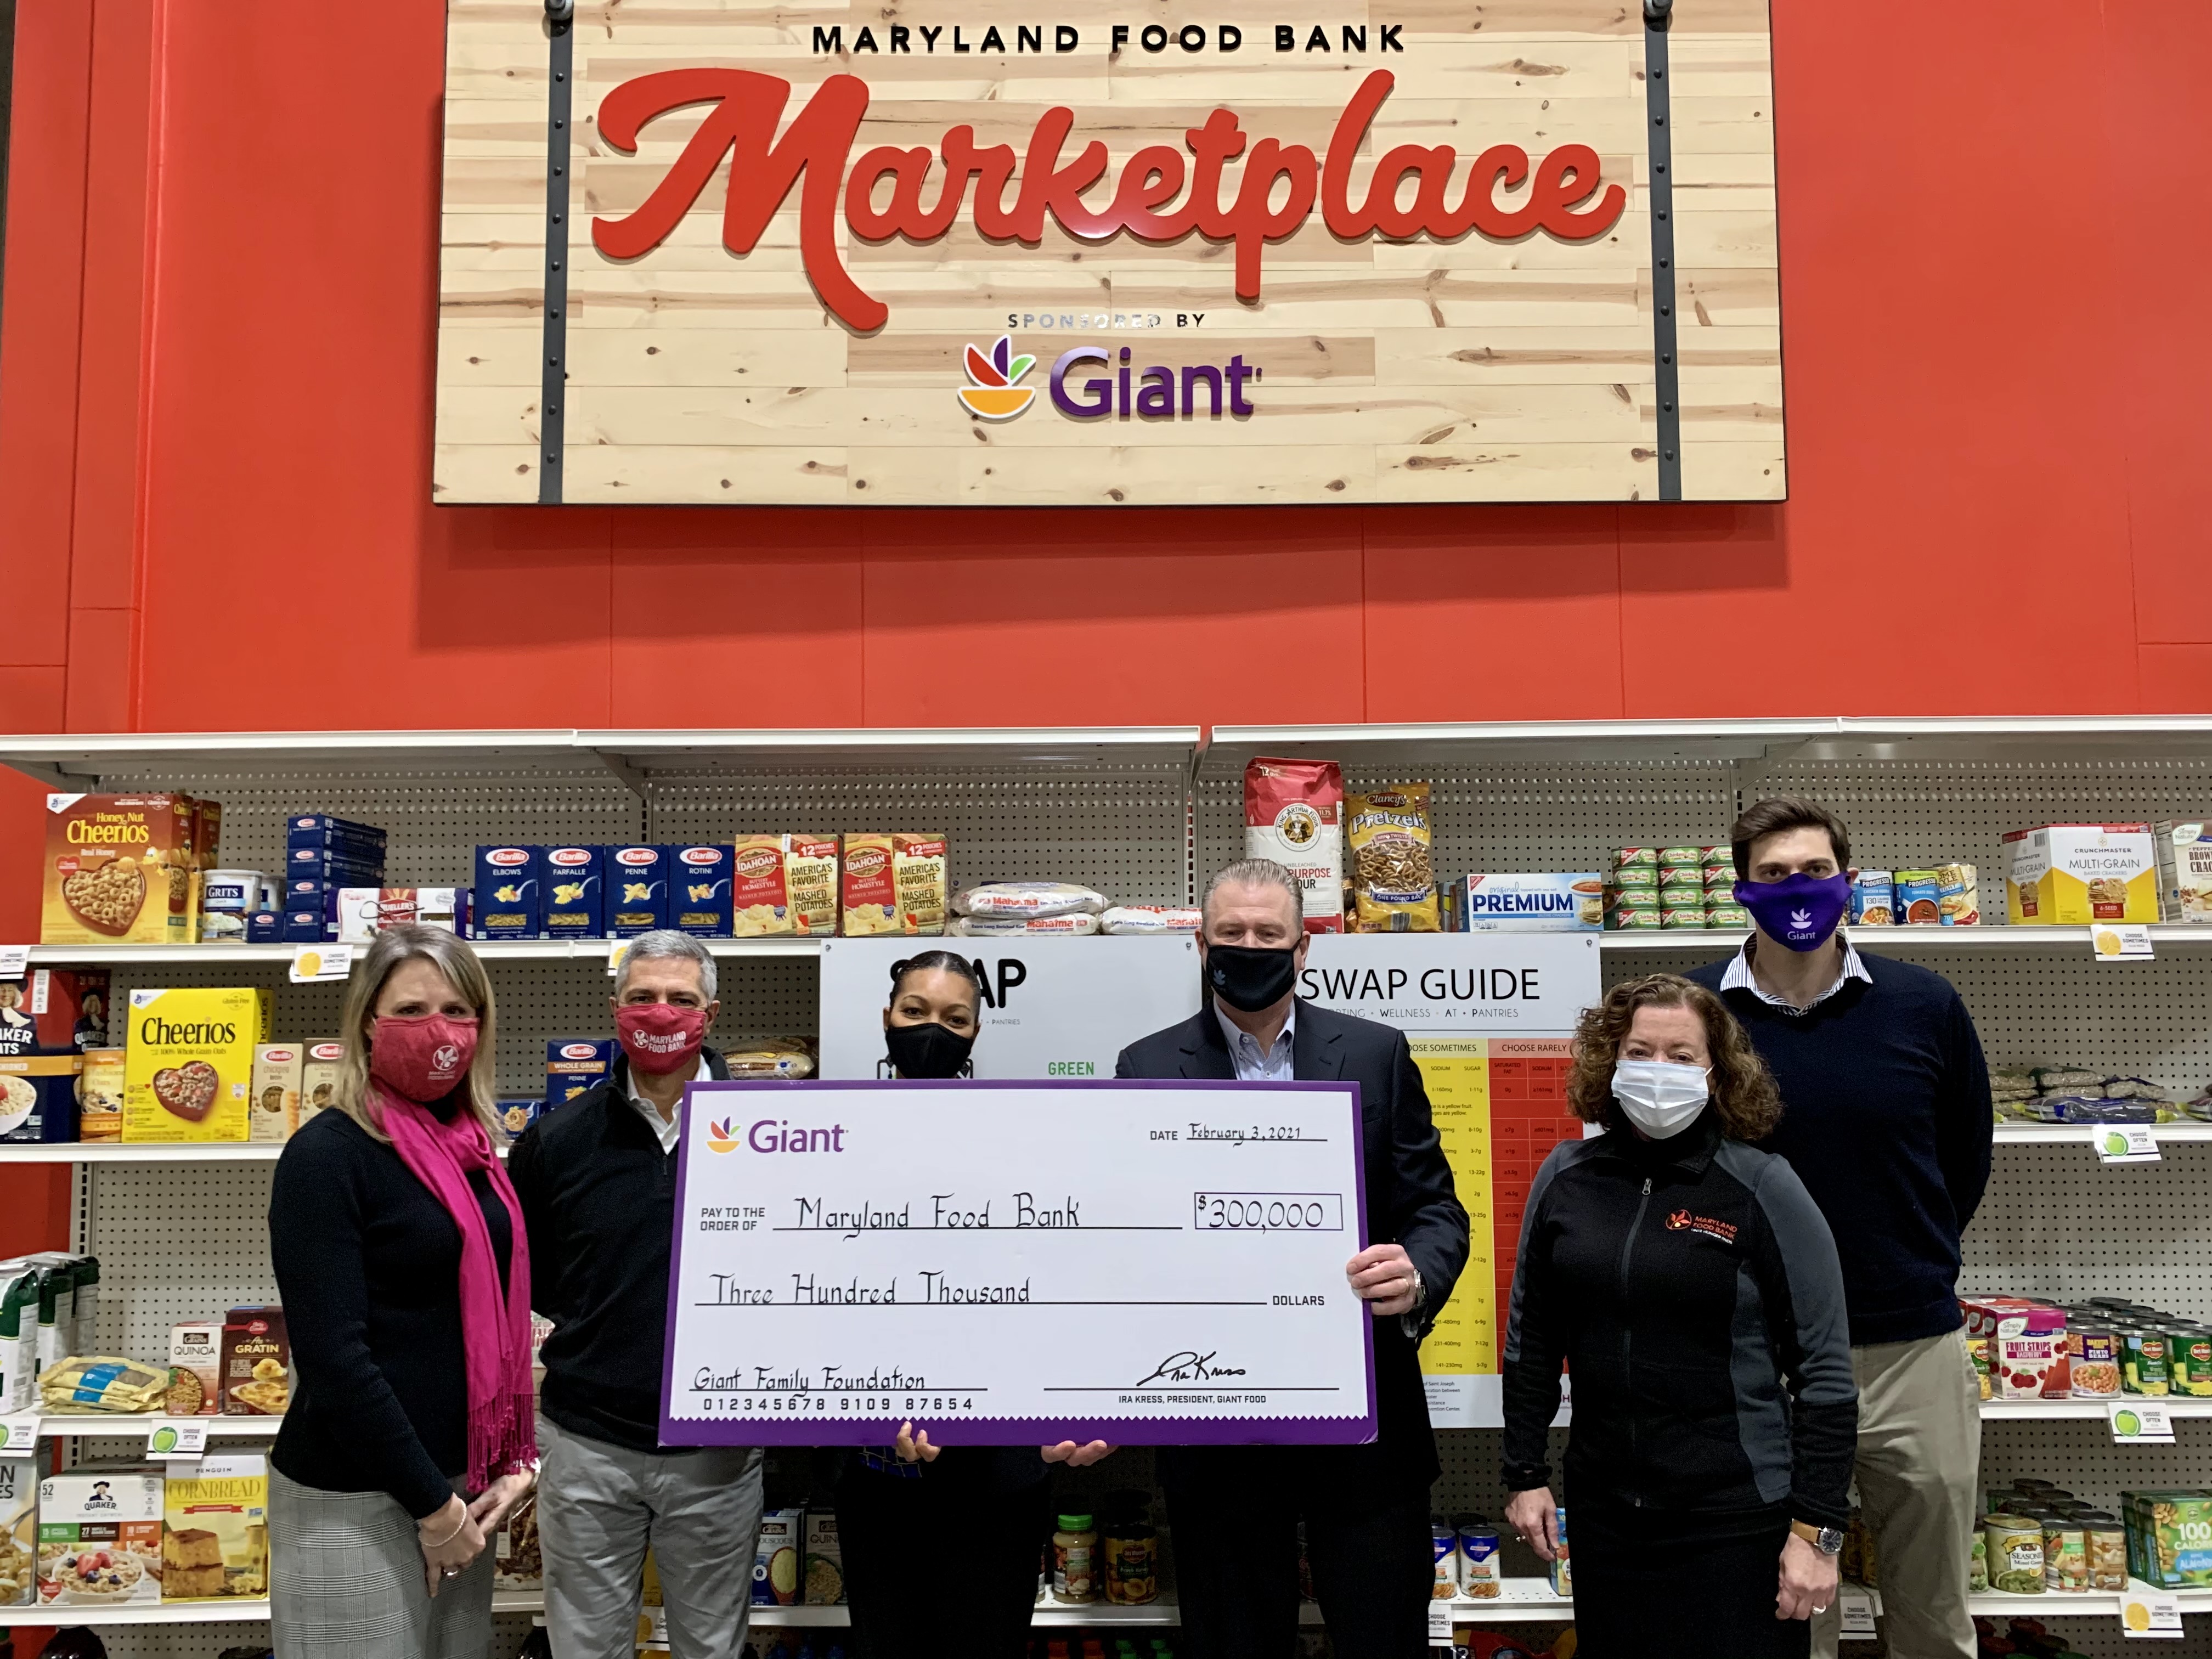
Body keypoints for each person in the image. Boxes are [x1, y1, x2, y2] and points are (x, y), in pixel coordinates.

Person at [1114, 859, 1469, 1659]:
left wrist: (1417, 1273)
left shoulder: (1376, 1053)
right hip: (1216, 1422)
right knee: (1235, 1641)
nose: (1249, 947)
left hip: (1366, 1423)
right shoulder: (1145, 1066)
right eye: (1230, 934)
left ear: (1303, 949)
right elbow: (1128, 1240)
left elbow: (1436, 1208)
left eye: (1268, 934)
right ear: (1201, 948)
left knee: (1383, 1637)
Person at [1686, 798, 1992, 1659]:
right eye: (1774, 875)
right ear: (1741, 889)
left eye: (1815, 872)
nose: (1797, 889)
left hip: (1910, 1350)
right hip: (1756, 1355)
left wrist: (1900, 1254)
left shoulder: (1923, 1005)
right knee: (1785, 1610)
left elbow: (1963, 1161)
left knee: (1933, 1610)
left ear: (1848, 883)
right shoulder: (1698, 1011)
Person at [1500, 973, 1858, 1658]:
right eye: (1640, 1052)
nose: (1657, 1070)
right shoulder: (1567, 1176)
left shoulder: (1761, 1185)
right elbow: (1533, 1340)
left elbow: (1825, 1373)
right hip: (1607, 1515)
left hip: (1733, 1516)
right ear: (1611, 1062)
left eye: (1682, 1055)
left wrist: (1818, 1533)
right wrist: (1524, 1473)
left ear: (1717, 1073)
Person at [268, 925, 537, 1659]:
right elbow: (335, 1360)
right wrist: (431, 1503)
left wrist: (504, 1467)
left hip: (458, 1489)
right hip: (358, 1496)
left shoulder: (474, 1150)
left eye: (456, 1009)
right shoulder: (327, 1156)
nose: (438, 1031)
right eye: (412, 1011)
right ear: (367, 1023)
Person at [835, 950, 1111, 1659]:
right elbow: (821, 1299)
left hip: (1000, 1472)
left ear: (977, 1033)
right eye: (915, 1012)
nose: (933, 1029)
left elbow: (1055, 1285)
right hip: (880, 1466)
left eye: (955, 1018)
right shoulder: (833, 1137)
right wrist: (875, 1402)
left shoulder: (1024, 1139)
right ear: (886, 1020)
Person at [507, 931, 764, 1659]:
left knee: (713, 1646)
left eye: (680, 999)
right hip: (587, 1440)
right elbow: (540, 1280)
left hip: (717, 1444)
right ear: (615, 1008)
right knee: (585, 1647)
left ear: (710, 1015)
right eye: (643, 997)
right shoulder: (558, 1141)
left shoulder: (773, 1133)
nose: (660, 1013)